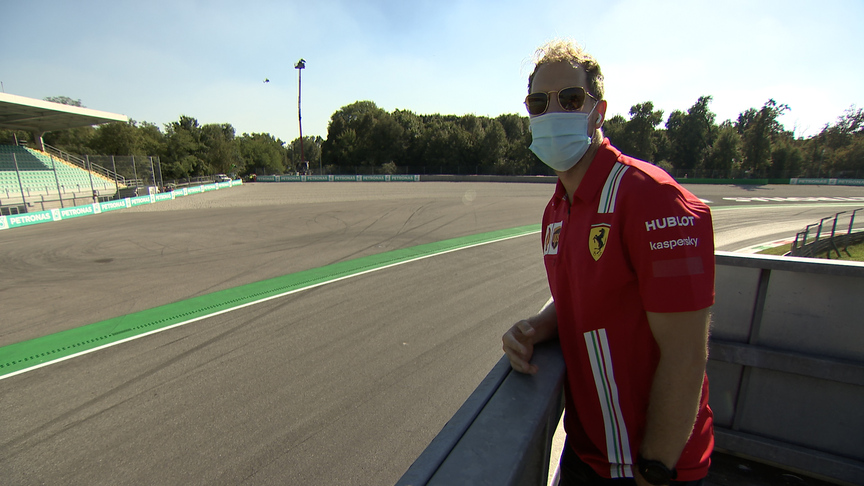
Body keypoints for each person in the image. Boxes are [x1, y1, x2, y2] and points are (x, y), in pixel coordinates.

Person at [502, 39, 715, 486]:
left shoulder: (652, 198)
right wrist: (538, 326)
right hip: (586, 455)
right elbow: (585, 297)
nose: (552, 112)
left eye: (570, 99)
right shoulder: (556, 209)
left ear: (598, 112)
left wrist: (655, 469)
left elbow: (686, 354)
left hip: (653, 468)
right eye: (539, 103)